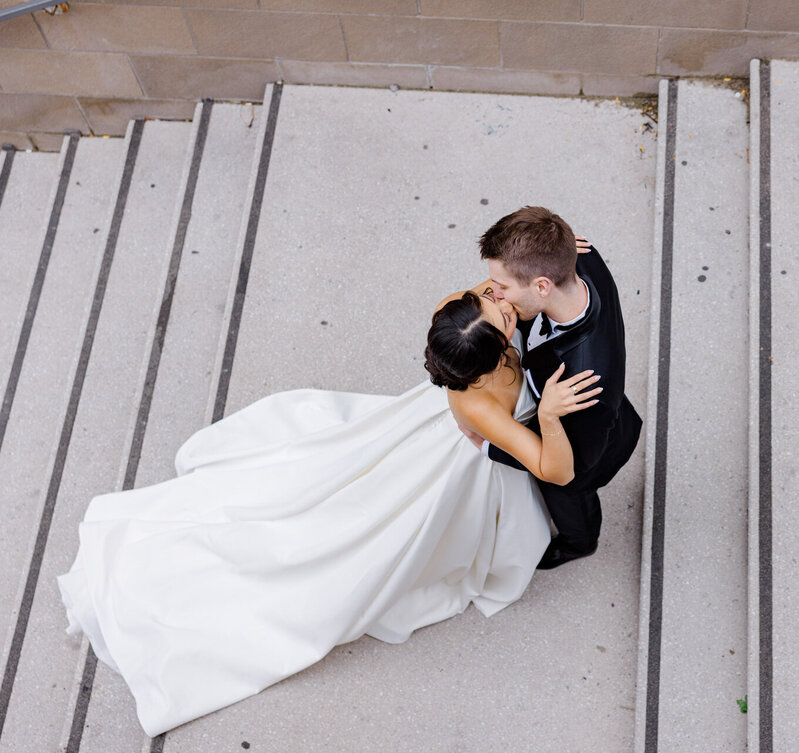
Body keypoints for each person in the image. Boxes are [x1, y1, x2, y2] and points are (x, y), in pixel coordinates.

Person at [57, 280, 599, 736]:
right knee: (363, 539)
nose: (506, 300)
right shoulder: (480, 403)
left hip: (423, 428)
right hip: (452, 462)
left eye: (498, 297)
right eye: (499, 306)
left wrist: (547, 266)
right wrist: (547, 416)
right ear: (482, 364)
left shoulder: (461, 311)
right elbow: (554, 471)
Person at [472, 206, 642, 569]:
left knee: (566, 493)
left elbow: (570, 466)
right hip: (593, 408)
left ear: (542, 286)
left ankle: (580, 542)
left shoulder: (584, 384)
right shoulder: (579, 257)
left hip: (587, 445)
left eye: (502, 287)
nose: (495, 294)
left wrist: (492, 448)